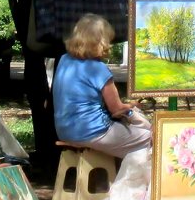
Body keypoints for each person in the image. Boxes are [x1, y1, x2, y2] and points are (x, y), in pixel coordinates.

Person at [53, 14, 150, 157]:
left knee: (132, 139)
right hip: (93, 131)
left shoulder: (64, 59)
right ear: (101, 42)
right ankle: (137, 179)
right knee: (153, 138)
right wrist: (131, 108)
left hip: (64, 130)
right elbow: (116, 110)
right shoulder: (98, 69)